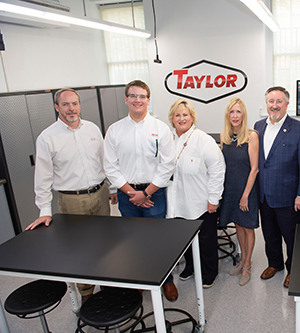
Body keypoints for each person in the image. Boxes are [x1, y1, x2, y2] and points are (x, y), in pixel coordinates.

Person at [25, 88, 115, 304]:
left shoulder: (92, 129)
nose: (71, 108)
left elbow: (105, 162)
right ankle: (86, 294)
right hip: (72, 200)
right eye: (65, 104)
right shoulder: (47, 137)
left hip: (100, 193)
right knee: (80, 248)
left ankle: (110, 284)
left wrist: (111, 189)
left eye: (74, 103)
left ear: (79, 105)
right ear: (57, 107)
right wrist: (45, 210)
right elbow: (43, 177)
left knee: (106, 243)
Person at [103, 80, 178, 301]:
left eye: (142, 96)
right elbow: (110, 166)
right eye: (133, 96)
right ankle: (139, 280)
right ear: (126, 99)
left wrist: (145, 193)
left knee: (158, 241)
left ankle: (167, 280)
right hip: (127, 197)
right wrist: (131, 193)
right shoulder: (115, 130)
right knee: (133, 241)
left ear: (148, 99)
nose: (138, 100)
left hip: (154, 194)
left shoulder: (160, 129)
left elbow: (167, 165)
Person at [254, 86, 300, 288]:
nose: (275, 105)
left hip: (289, 197)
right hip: (264, 195)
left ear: (287, 104)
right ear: (266, 104)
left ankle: (293, 269)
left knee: (291, 237)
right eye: (271, 101)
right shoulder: (258, 127)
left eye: (279, 101)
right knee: (269, 234)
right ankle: (275, 264)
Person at [167, 98, 225, 289]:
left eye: (185, 114)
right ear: (172, 118)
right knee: (184, 239)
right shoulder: (168, 140)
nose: (181, 118)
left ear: (192, 118)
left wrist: (213, 199)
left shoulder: (203, 140)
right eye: (177, 115)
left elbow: (218, 170)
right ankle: (190, 266)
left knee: (206, 240)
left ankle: (209, 272)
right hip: (177, 201)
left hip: (201, 202)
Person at [219, 98, 259, 286]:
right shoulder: (224, 136)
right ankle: (242, 259)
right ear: (228, 115)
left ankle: (248, 264)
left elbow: (254, 169)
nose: (235, 116)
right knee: (238, 225)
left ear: (244, 115)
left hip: (246, 189)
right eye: (232, 112)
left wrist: (245, 195)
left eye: (238, 112)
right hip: (230, 189)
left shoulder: (251, 136)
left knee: (247, 226)